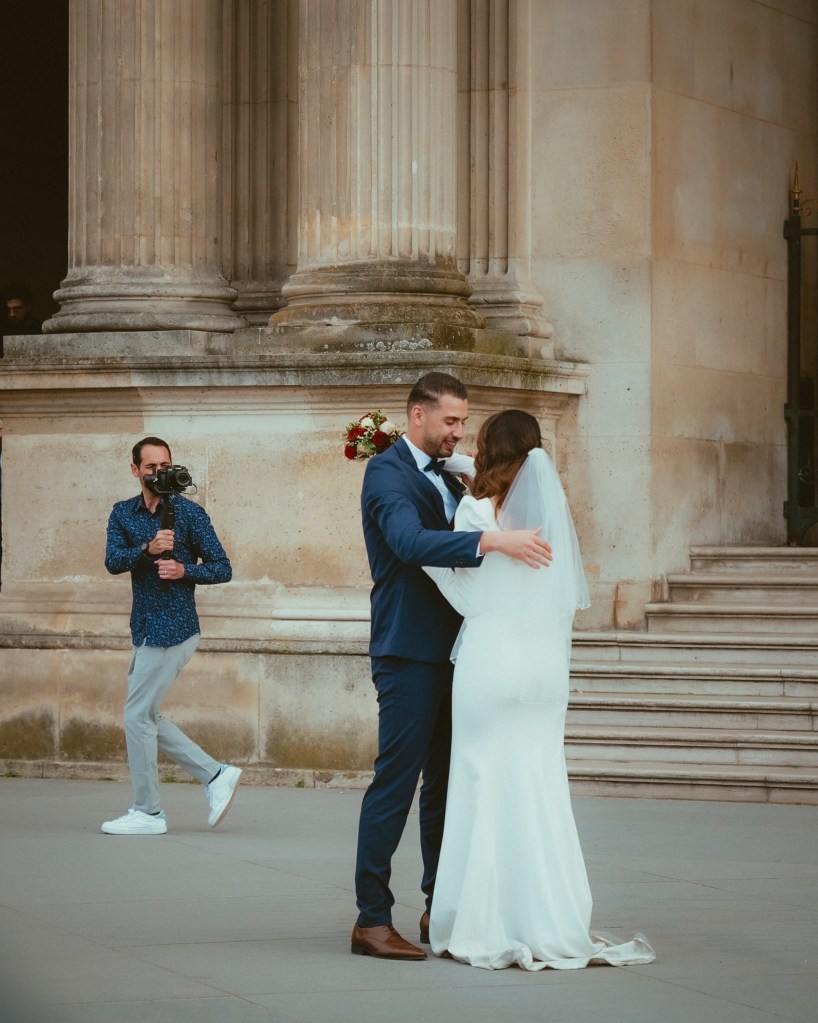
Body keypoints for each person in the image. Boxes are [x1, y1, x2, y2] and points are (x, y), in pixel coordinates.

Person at [423, 410, 656, 970]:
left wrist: (431, 561)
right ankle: (548, 917)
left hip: (489, 665)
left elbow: (468, 598)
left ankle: (482, 921)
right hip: (543, 674)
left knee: (481, 784)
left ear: (489, 447)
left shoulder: (478, 509)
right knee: (538, 786)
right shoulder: (550, 512)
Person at [352, 373, 554, 961]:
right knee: (395, 783)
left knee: (445, 785)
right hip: (408, 651)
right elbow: (410, 544)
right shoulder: (385, 475)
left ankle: (439, 903)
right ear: (417, 416)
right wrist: (492, 543)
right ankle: (370, 919)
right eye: (450, 421)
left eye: (465, 422)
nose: (458, 432)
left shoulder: (449, 470)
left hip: (460, 653)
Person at [101, 436, 242, 836]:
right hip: (144, 628)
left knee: (136, 715)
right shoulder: (122, 514)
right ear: (135, 471)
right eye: (150, 466)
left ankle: (148, 812)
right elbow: (113, 561)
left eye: (165, 464)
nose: (159, 472)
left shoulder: (190, 514)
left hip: (174, 628)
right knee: (147, 714)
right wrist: (147, 549)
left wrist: (185, 570)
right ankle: (216, 774)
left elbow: (222, 567)